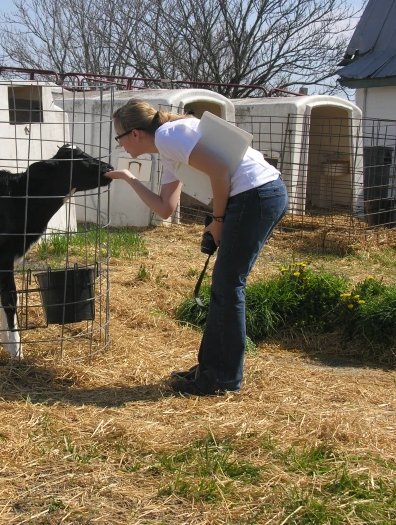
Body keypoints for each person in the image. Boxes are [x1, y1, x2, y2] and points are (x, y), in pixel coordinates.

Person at [104, 99, 288, 396]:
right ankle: (211, 369)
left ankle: (222, 378)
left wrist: (217, 219)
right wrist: (130, 179)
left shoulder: (169, 135)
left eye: (119, 137)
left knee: (228, 287)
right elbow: (165, 208)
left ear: (134, 133)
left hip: (256, 194)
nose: (120, 145)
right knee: (224, 286)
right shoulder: (167, 148)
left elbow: (219, 171)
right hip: (258, 194)